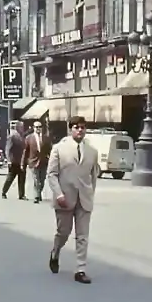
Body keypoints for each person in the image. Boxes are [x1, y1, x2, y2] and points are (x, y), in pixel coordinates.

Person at [46, 116, 100, 284]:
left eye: (83, 127)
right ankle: (55, 252)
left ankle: (81, 269)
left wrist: (90, 193)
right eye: (76, 127)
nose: (80, 130)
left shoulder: (92, 151)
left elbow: (94, 175)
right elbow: (52, 174)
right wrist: (59, 194)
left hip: (84, 199)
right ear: (70, 129)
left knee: (82, 236)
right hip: (65, 198)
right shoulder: (59, 149)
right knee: (64, 232)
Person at [22, 121, 53, 203]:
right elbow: (25, 151)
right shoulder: (29, 138)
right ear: (33, 128)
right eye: (36, 127)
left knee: (42, 180)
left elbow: (50, 150)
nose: (38, 128)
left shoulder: (46, 138)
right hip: (33, 162)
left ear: (42, 128)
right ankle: (36, 197)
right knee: (36, 180)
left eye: (39, 127)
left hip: (43, 162)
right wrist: (23, 163)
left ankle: (38, 194)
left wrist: (52, 160)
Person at [1, 124, 26, 200]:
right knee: (10, 178)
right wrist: (8, 160)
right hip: (13, 161)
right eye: (21, 127)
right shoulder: (12, 136)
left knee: (22, 178)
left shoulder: (22, 136)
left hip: (21, 161)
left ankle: (21, 195)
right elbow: (7, 149)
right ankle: (4, 192)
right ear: (18, 128)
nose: (23, 128)